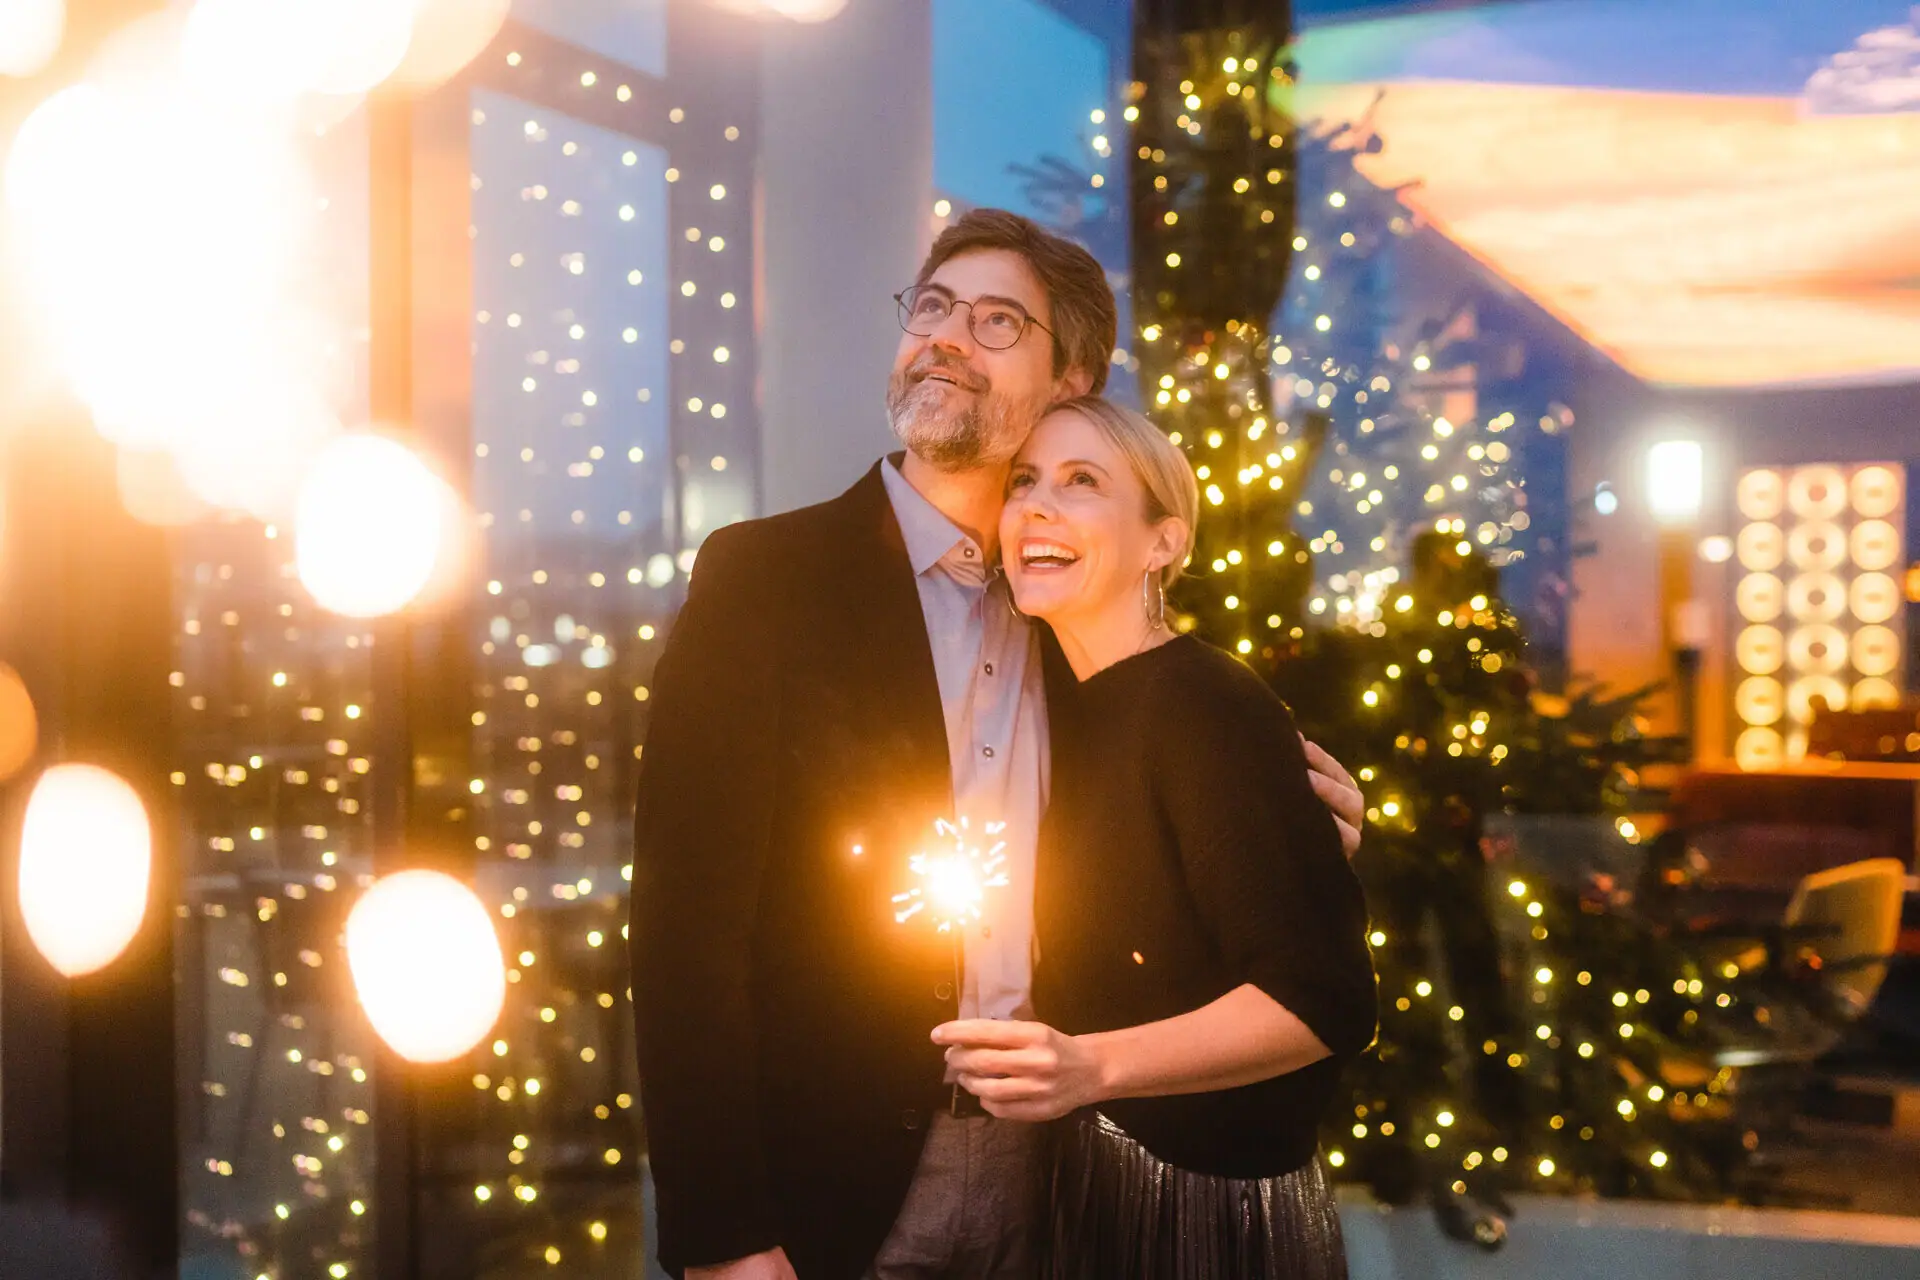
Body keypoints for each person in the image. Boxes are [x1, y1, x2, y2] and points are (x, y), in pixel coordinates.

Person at [630, 209, 1365, 1280]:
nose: (944, 337)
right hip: (835, 1181)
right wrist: (723, 1235)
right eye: (930, 308)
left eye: (995, 321)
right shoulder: (763, 581)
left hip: (1071, 1170)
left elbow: (1184, 829)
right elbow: (683, 932)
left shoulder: (1080, 616)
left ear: (1071, 377)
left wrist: (1307, 830)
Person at [934, 397, 1377, 1280]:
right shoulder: (1069, 706)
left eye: (1082, 482)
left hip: (1203, 1213)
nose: (1037, 507)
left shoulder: (1202, 704)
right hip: (1100, 1186)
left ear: (1163, 543)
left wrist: (1088, 1068)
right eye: (1024, 483)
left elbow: (1325, 1000)